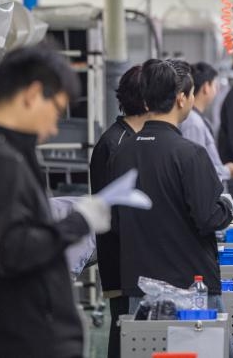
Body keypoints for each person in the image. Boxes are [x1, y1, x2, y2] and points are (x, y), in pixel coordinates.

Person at [0, 45, 114, 358]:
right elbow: (13, 250)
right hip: (22, 343)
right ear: (33, 94)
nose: (53, 128)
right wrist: (78, 223)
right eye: (56, 110)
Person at [112, 59, 233, 310]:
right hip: (190, 288)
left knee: (147, 348)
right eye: (191, 94)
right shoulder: (189, 154)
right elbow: (208, 217)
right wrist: (227, 205)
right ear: (181, 98)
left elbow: (115, 219)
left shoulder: (121, 152)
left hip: (141, 288)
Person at [89, 64, 148, 358]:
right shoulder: (115, 144)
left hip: (134, 261)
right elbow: (112, 215)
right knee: (124, 333)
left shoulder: (132, 139)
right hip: (123, 262)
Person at [180, 62, 233, 184]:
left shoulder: (198, 118)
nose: (216, 90)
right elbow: (197, 169)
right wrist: (226, 171)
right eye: (215, 85)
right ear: (206, 87)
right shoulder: (192, 122)